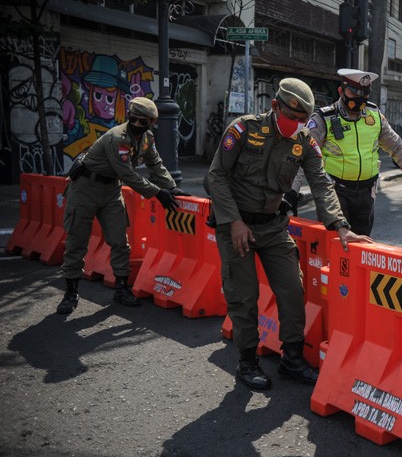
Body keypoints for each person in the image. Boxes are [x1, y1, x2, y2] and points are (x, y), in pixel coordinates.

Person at [207, 77, 372, 390]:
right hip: (237, 226)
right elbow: (216, 176)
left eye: (302, 119)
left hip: (273, 226)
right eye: (291, 116)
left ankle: (292, 358)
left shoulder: (305, 141)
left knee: (293, 290)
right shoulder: (243, 130)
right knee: (244, 296)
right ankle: (247, 361)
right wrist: (233, 221)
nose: (296, 124)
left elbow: (321, 183)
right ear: (274, 106)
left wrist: (340, 226)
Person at [57, 97, 184, 315]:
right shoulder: (118, 138)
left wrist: (171, 187)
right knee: (77, 241)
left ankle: (122, 288)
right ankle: (70, 292)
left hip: (111, 191)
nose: (136, 124)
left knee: (119, 241)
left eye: (142, 122)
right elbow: (127, 174)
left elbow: (155, 164)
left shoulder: (147, 139)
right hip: (85, 189)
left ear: (152, 122)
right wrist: (157, 193)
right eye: (133, 119)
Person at [290, 68, 402, 235]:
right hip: (334, 193)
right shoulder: (324, 119)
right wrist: (292, 192)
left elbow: (396, 146)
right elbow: (303, 157)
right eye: (354, 92)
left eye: (364, 93)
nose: (359, 98)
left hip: (367, 194)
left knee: (362, 242)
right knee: (335, 242)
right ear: (341, 91)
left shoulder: (375, 116)